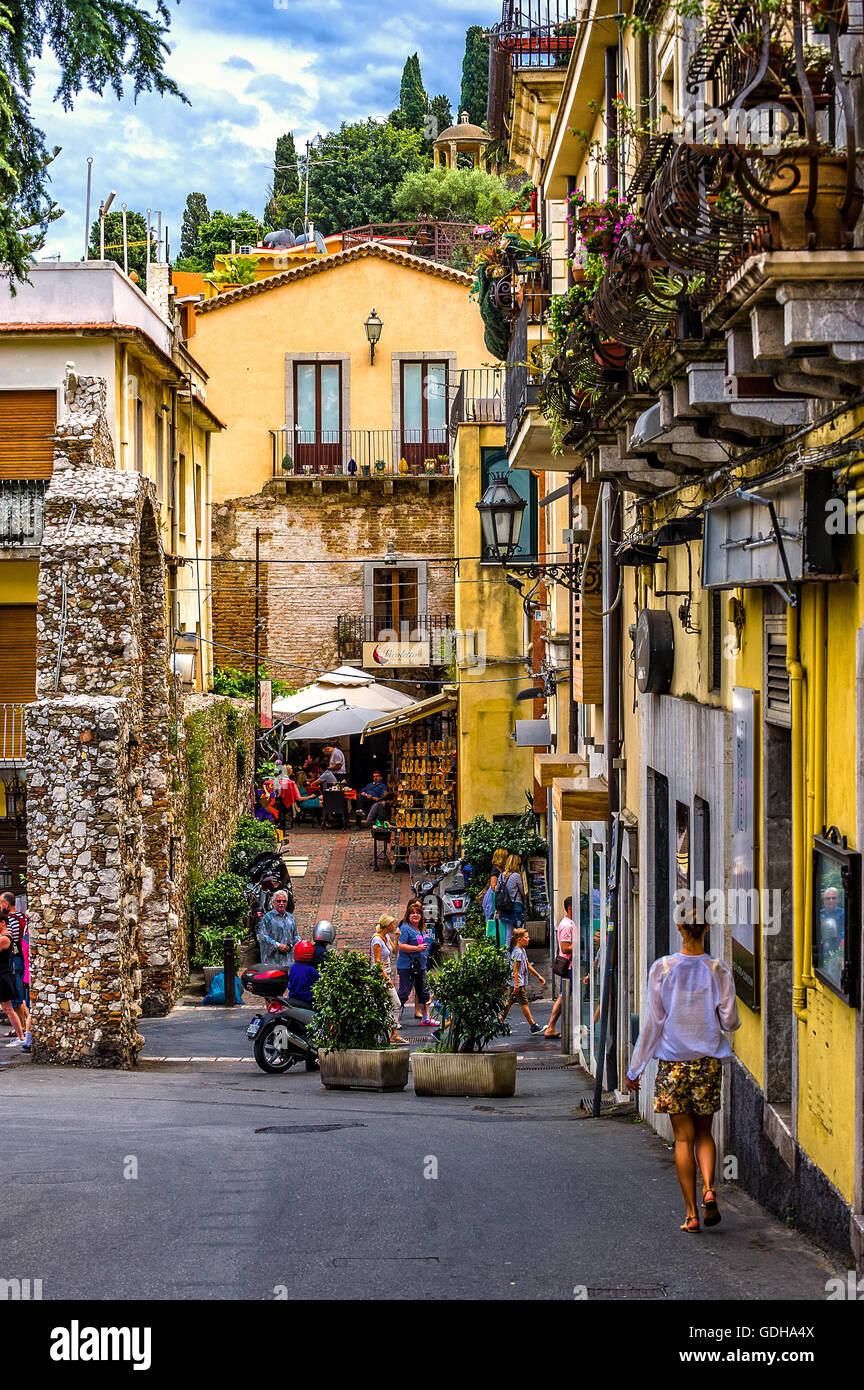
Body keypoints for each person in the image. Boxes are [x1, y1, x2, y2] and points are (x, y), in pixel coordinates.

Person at [625, 914, 741, 1233]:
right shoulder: (718, 970)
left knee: (682, 1139)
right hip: (706, 1062)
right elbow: (730, 1021)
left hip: (673, 1065)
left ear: (678, 927)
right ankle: (709, 1189)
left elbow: (653, 1023)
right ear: (707, 927)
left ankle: (691, 1215)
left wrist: (635, 1068)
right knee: (705, 1134)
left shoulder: (663, 969)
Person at [395, 900, 433, 1026]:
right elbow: (400, 945)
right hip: (407, 966)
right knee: (404, 993)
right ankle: (392, 1020)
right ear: (408, 915)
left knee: (423, 992)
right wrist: (417, 948)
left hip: (421, 965)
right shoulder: (405, 928)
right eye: (412, 913)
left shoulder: (421, 928)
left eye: (418, 913)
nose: (415, 915)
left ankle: (426, 1017)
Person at [371, 914, 407, 1044]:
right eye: (392, 924)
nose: (394, 926)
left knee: (384, 1005)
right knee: (395, 1003)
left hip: (386, 975)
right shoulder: (377, 941)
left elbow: (396, 951)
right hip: (380, 977)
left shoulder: (385, 937)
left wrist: (397, 939)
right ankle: (392, 1034)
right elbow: (377, 963)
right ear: (387, 925)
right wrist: (387, 979)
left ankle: (392, 1034)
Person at [501, 927, 544, 1033]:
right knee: (524, 1003)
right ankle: (533, 1026)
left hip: (516, 982)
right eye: (526, 937)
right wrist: (516, 985)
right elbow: (515, 970)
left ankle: (500, 1022)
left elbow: (528, 965)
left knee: (509, 1002)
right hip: (517, 982)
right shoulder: (518, 952)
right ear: (519, 939)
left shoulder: (522, 950)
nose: (528, 939)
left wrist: (538, 976)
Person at [1, 892, 30, 1050]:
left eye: (0, 902)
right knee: (15, 999)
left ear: (6, 904)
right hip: (18, 959)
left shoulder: (10, 919)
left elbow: (10, 940)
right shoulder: (21, 916)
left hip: (13, 961)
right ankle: (22, 1029)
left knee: (16, 999)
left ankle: (24, 1030)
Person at [544, 895, 574, 1039]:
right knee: (563, 997)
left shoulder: (568, 923)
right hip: (568, 967)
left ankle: (555, 1027)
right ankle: (551, 1027)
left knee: (566, 997)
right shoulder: (567, 925)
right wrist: (580, 945)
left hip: (570, 966)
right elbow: (565, 947)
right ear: (570, 908)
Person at [0, 909, 25, 1045]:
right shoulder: (6, 936)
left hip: (2, 975)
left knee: (8, 1009)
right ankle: (20, 1036)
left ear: (2, 923)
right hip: (4, 974)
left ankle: (21, 1037)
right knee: (7, 1009)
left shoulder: (4, 939)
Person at [257, 890, 299, 969]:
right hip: (272, 962)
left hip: (289, 961)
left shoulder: (291, 918)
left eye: (284, 901)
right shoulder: (267, 918)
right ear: (273, 902)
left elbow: (296, 935)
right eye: (279, 901)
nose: (281, 904)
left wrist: (298, 945)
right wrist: (278, 945)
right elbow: (263, 936)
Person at [495, 853, 525, 948]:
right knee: (520, 934)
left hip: (505, 907)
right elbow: (522, 891)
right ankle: (521, 959)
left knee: (508, 935)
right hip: (516, 906)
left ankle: (508, 960)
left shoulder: (501, 876)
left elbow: (496, 889)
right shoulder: (516, 876)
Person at [287, 939, 319, 1006]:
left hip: (292, 998)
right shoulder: (310, 969)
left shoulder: (293, 967)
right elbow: (320, 980)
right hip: (306, 1000)